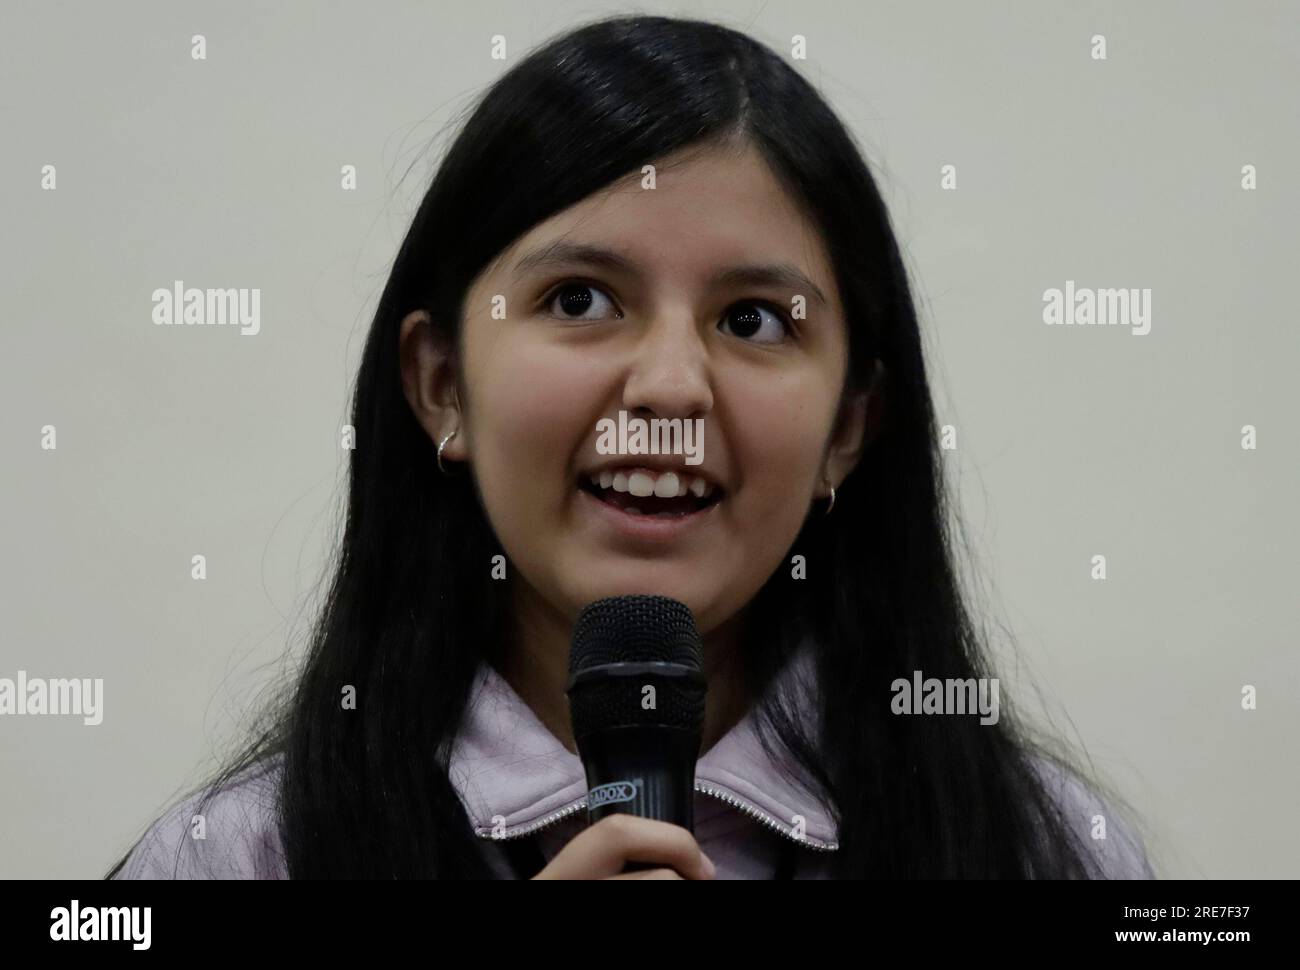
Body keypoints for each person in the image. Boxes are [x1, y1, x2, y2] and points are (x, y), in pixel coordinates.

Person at [108, 13, 1153, 880]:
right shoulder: (236, 861)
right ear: (440, 387)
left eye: (752, 320)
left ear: (847, 427)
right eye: (580, 298)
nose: (666, 386)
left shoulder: (1044, 854)